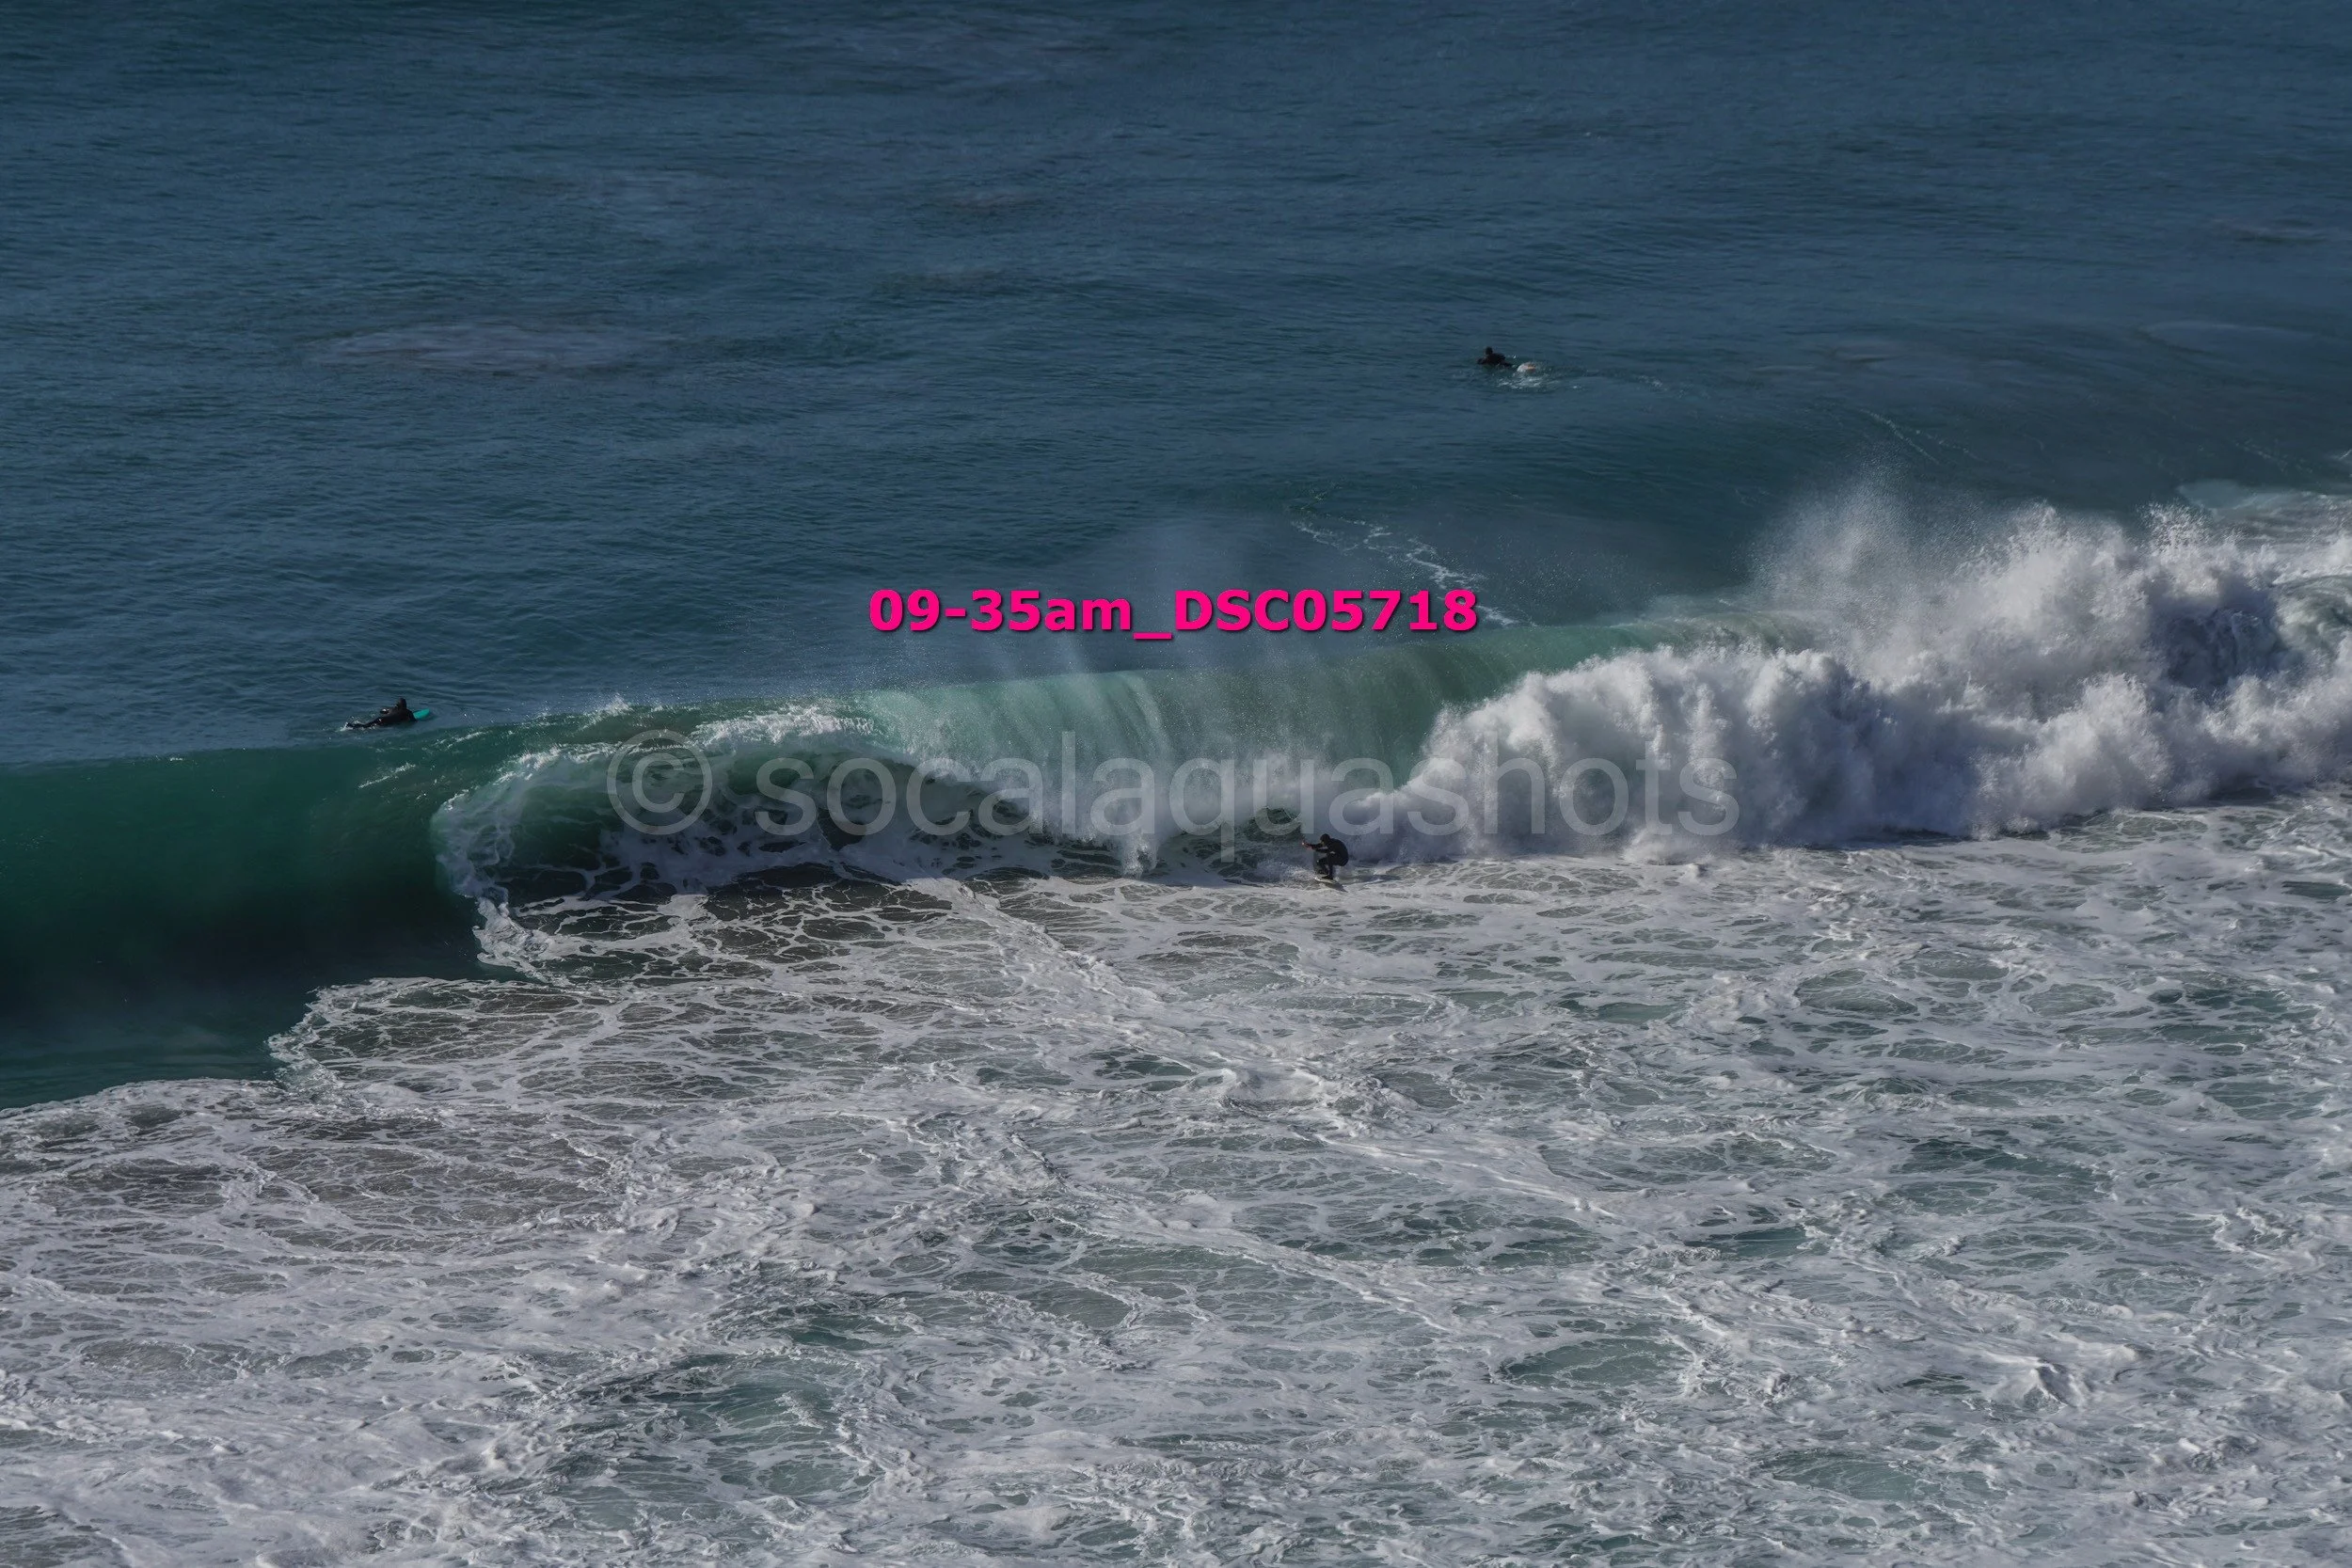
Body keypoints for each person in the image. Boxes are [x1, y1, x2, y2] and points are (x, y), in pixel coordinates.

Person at [347, 697, 417, 730]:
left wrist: (391, 709)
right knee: (368, 728)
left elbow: (381, 711)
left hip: (380, 719)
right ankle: (354, 727)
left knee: (367, 725)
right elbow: (413, 720)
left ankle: (352, 726)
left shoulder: (391, 709)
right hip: (386, 722)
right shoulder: (408, 712)